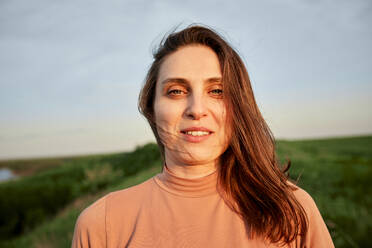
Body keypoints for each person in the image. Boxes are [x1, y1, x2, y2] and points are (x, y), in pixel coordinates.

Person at [71, 25, 334, 248]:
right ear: (151, 107)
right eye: (176, 91)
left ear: (240, 105)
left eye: (217, 91)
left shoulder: (292, 210)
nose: (196, 109)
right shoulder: (101, 225)